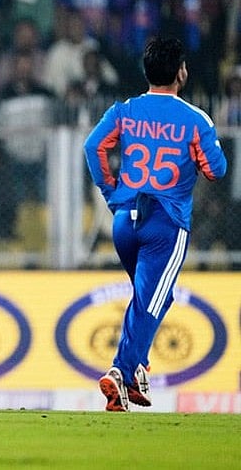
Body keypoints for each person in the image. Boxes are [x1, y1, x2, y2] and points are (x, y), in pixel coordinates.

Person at [84, 36, 227, 412]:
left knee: (150, 299)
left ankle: (136, 374)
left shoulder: (125, 110)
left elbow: (92, 146)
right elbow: (216, 170)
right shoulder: (196, 119)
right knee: (151, 302)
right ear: (181, 72)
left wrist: (110, 190)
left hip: (124, 221)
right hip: (165, 223)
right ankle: (122, 371)